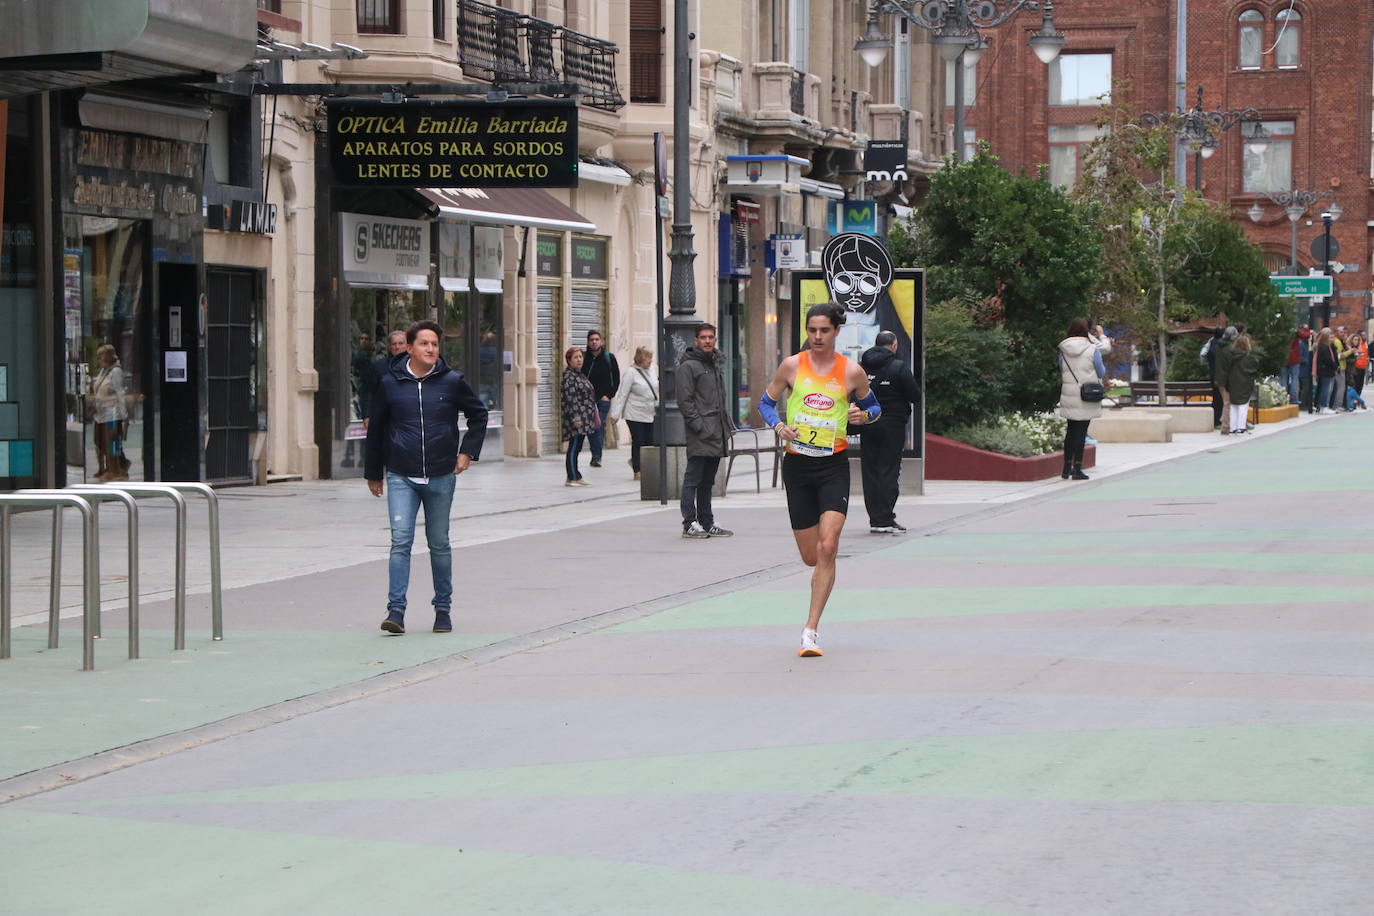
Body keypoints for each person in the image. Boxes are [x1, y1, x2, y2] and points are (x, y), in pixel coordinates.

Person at [758, 302, 881, 657]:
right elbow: (766, 403)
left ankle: (810, 631)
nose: (816, 336)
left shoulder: (852, 372)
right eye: (812, 330)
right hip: (798, 467)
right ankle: (818, 579)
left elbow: (874, 408)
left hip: (833, 466)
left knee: (829, 546)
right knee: (812, 556)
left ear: (836, 332)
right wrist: (779, 425)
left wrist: (863, 416)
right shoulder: (792, 366)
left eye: (824, 330)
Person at [365, 320, 488, 636]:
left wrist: (467, 452)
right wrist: (373, 473)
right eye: (424, 344)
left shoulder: (452, 381)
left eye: (435, 344)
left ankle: (443, 610)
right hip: (400, 474)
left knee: (439, 543)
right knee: (400, 541)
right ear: (409, 347)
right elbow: (376, 429)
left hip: (440, 474)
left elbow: (479, 415)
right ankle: (396, 610)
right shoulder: (390, 383)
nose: (431, 349)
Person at [858, 329, 920, 534]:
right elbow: (915, 395)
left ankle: (875, 518)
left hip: (867, 422)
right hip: (892, 425)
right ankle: (885, 518)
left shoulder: (861, 367)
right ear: (893, 345)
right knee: (889, 469)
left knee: (870, 470)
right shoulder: (898, 367)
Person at [677, 323, 733, 538]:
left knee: (708, 481)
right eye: (703, 337)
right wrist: (699, 427)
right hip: (701, 432)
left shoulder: (714, 364)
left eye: (711, 337)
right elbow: (685, 401)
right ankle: (689, 523)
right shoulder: (689, 366)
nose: (708, 341)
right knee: (693, 479)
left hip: (716, 430)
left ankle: (707, 521)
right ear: (696, 341)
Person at [1057, 318, 1111, 479]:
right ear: (1086, 331)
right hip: (1085, 395)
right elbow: (1101, 372)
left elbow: (1061, 368)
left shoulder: (1063, 349)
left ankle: (1066, 468)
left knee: (1070, 431)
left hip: (1069, 393)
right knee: (1081, 432)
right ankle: (1077, 469)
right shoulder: (1092, 349)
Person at [609, 346, 658, 481]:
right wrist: (615, 414)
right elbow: (622, 394)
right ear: (641, 359)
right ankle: (637, 469)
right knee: (639, 441)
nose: (650, 361)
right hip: (634, 413)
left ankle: (645, 465)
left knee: (650, 441)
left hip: (650, 411)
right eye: (648, 358)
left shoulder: (652, 369)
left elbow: (655, 387)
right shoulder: (630, 373)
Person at [89, 344, 130, 481]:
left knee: (111, 441)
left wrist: (124, 415)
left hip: (112, 412)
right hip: (100, 413)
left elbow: (120, 392)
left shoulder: (116, 371)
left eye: (101, 357)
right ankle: (111, 467)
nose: (99, 360)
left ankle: (115, 469)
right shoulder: (103, 371)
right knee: (100, 440)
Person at [580, 329, 620, 467]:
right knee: (591, 427)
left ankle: (597, 456)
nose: (594, 342)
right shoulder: (584, 358)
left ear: (601, 341)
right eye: (591, 340)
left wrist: (608, 396)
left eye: (597, 339)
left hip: (603, 400)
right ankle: (595, 453)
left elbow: (616, 379)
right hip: (587, 400)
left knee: (597, 425)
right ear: (588, 342)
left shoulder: (609, 358)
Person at [561, 346, 597, 487]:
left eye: (580, 357)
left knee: (577, 446)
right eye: (575, 357)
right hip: (576, 418)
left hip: (584, 417)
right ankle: (572, 476)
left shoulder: (579, 374)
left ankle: (576, 474)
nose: (579, 360)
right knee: (574, 446)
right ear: (569, 360)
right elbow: (571, 398)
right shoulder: (569, 376)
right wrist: (576, 418)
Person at [363, 331, 408, 431]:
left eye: (400, 343)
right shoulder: (378, 366)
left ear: (407, 345)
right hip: (384, 418)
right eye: (394, 344)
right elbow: (369, 391)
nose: (397, 347)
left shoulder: (415, 365)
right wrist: (367, 415)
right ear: (389, 347)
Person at [1224, 334, 1259, 435]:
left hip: (1232, 383)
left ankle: (1233, 427)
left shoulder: (1230, 356)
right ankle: (1241, 427)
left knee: (1234, 405)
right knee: (1243, 405)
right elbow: (1254, 369)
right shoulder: (1249, 358)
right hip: (1245, 383)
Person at [1211, 326, 1239, 432]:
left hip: (1219, 378)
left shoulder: (1218, 346)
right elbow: (1231, 365)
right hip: (1227, 379)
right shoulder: (1230, 349)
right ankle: (1226, 426)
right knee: (1228, 403)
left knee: (1226, 402)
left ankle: (1226, 423)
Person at [1312, 327, 1340, 415]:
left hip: (1328, 370)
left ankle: (1324, 405)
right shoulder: (1323, 347)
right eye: (1329, 337)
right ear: (1325, 337)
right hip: (1325, 371)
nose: (1332, 339)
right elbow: (1328, 360)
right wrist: (1335, 366)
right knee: (1326, 389)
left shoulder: (1329, 347)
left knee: (1329, 389)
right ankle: (1323, 406)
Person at [1203, 327, 1225, 430]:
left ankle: (1215, 419)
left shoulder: (1211, 345)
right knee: (1219, 399)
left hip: (1213, 374)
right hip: (1219, 375)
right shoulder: (1218, 347)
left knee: (1216, 398)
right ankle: (1216, 420)